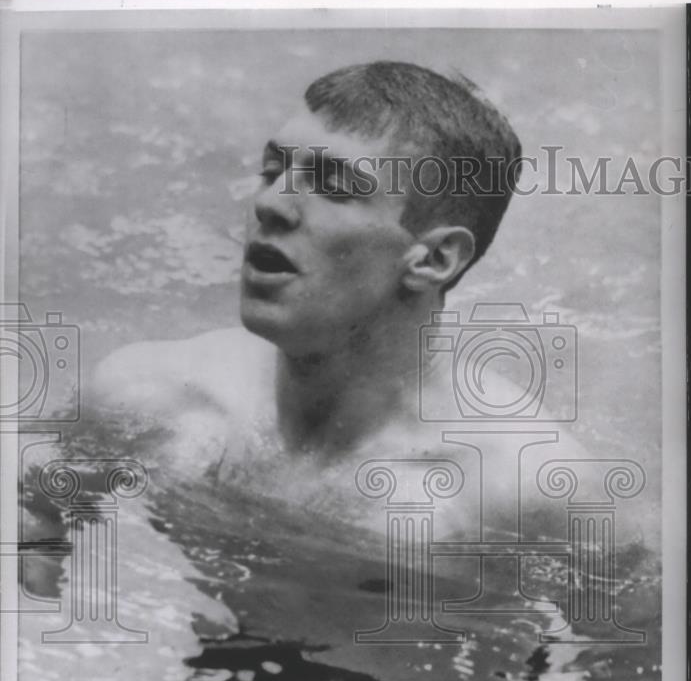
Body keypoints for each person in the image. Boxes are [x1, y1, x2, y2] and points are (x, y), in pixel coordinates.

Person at [91, 61, 534, 480]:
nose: (269, 203)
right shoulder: (144, 396)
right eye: (272, 170)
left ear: (434, 259)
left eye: (334, 187)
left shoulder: (510, 491)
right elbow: (37, 543)